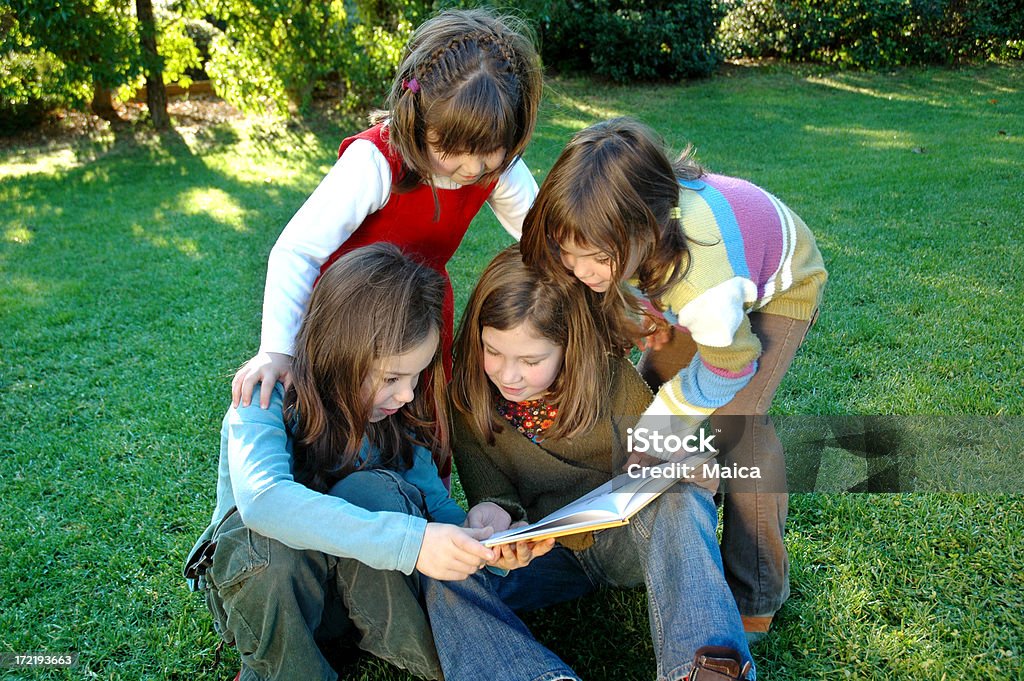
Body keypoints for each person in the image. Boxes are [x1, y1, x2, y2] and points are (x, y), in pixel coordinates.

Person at [520, 117, 828, 641]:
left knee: (737, 428)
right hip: (708, 277)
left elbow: (733, 364)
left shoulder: (703, 286)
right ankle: (658, 531)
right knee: (653, 388)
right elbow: (623, 279)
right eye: (570, 254)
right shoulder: (628, 233)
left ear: (645, 229)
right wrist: (650, 318)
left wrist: (663, 425)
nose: (582, 270)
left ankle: (756, 592)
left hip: (782, 285)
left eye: (596, 258)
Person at [185, 245, 531, 681]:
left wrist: (489, 544)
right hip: (271, 594)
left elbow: (438, 514)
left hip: (354, 603)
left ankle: (454, 664)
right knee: (270, 543)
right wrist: (411, 542)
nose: (406, 395)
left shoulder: (397, 422)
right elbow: (263, 501)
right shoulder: (265, 396)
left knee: (375, 491)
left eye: (415, 376)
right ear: (339, 351)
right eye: (391, 378)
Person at [424, 246, 755, 681]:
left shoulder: (610, 378)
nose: (508, 375)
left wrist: (693, 469)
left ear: (567, 347)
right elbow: (493, 494)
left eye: (531, 360)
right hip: (547, 555)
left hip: (628, 544)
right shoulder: (469, 400)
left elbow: (669, 452)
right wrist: (493, 517)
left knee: (677, 493)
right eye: (493, 351)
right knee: (440, 566)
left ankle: (705, 667)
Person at [231, 7, 544, 442]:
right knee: (337, 427)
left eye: (489, 150)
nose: (472, 167)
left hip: (421, 315)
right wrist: (277, 351)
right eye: (452, 149)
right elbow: (297, 250)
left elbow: (542, 237)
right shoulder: (376, 160)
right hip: (353, 320)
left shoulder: (498, 167)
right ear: (418, 117)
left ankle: (418, 504)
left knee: (421, 425)